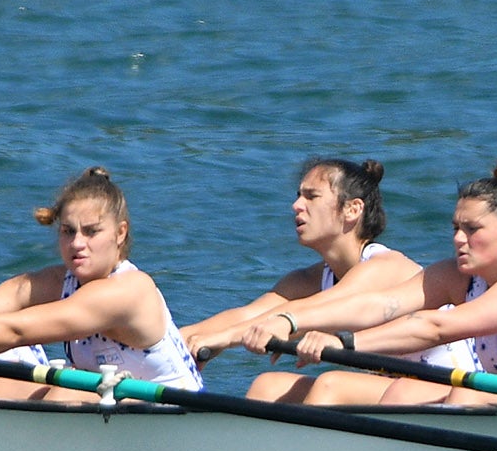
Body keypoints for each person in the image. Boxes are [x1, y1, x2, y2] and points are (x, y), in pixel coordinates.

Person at [275, 157, 497, 405]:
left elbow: (437, 327)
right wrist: (291, 321)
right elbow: (382, 304)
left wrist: (344, 344)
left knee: (466, 394)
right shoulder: (460, 277)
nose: (459, 239)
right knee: (404, 393)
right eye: (456, 228)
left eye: (472, 230)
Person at [0, 167, 200, 400]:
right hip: (123, 408)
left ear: (120, 233)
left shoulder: (129, 290)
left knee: (64, 394)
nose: (77, 243)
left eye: (91, 232)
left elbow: (14, 330)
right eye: (68, 231)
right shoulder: (62, 281)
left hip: (180, 419)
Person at [177, 155, 420, 379]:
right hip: (392, 389)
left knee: (330, 383)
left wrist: (226, 338)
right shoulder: (311, 279)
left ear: (352, 209)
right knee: (269, 384)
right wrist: (181, 338)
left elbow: (326, 306)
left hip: (440, 389)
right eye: (298, 195)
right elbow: (249, 314)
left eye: (311, 196)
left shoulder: (385, 266)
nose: (296, 205)